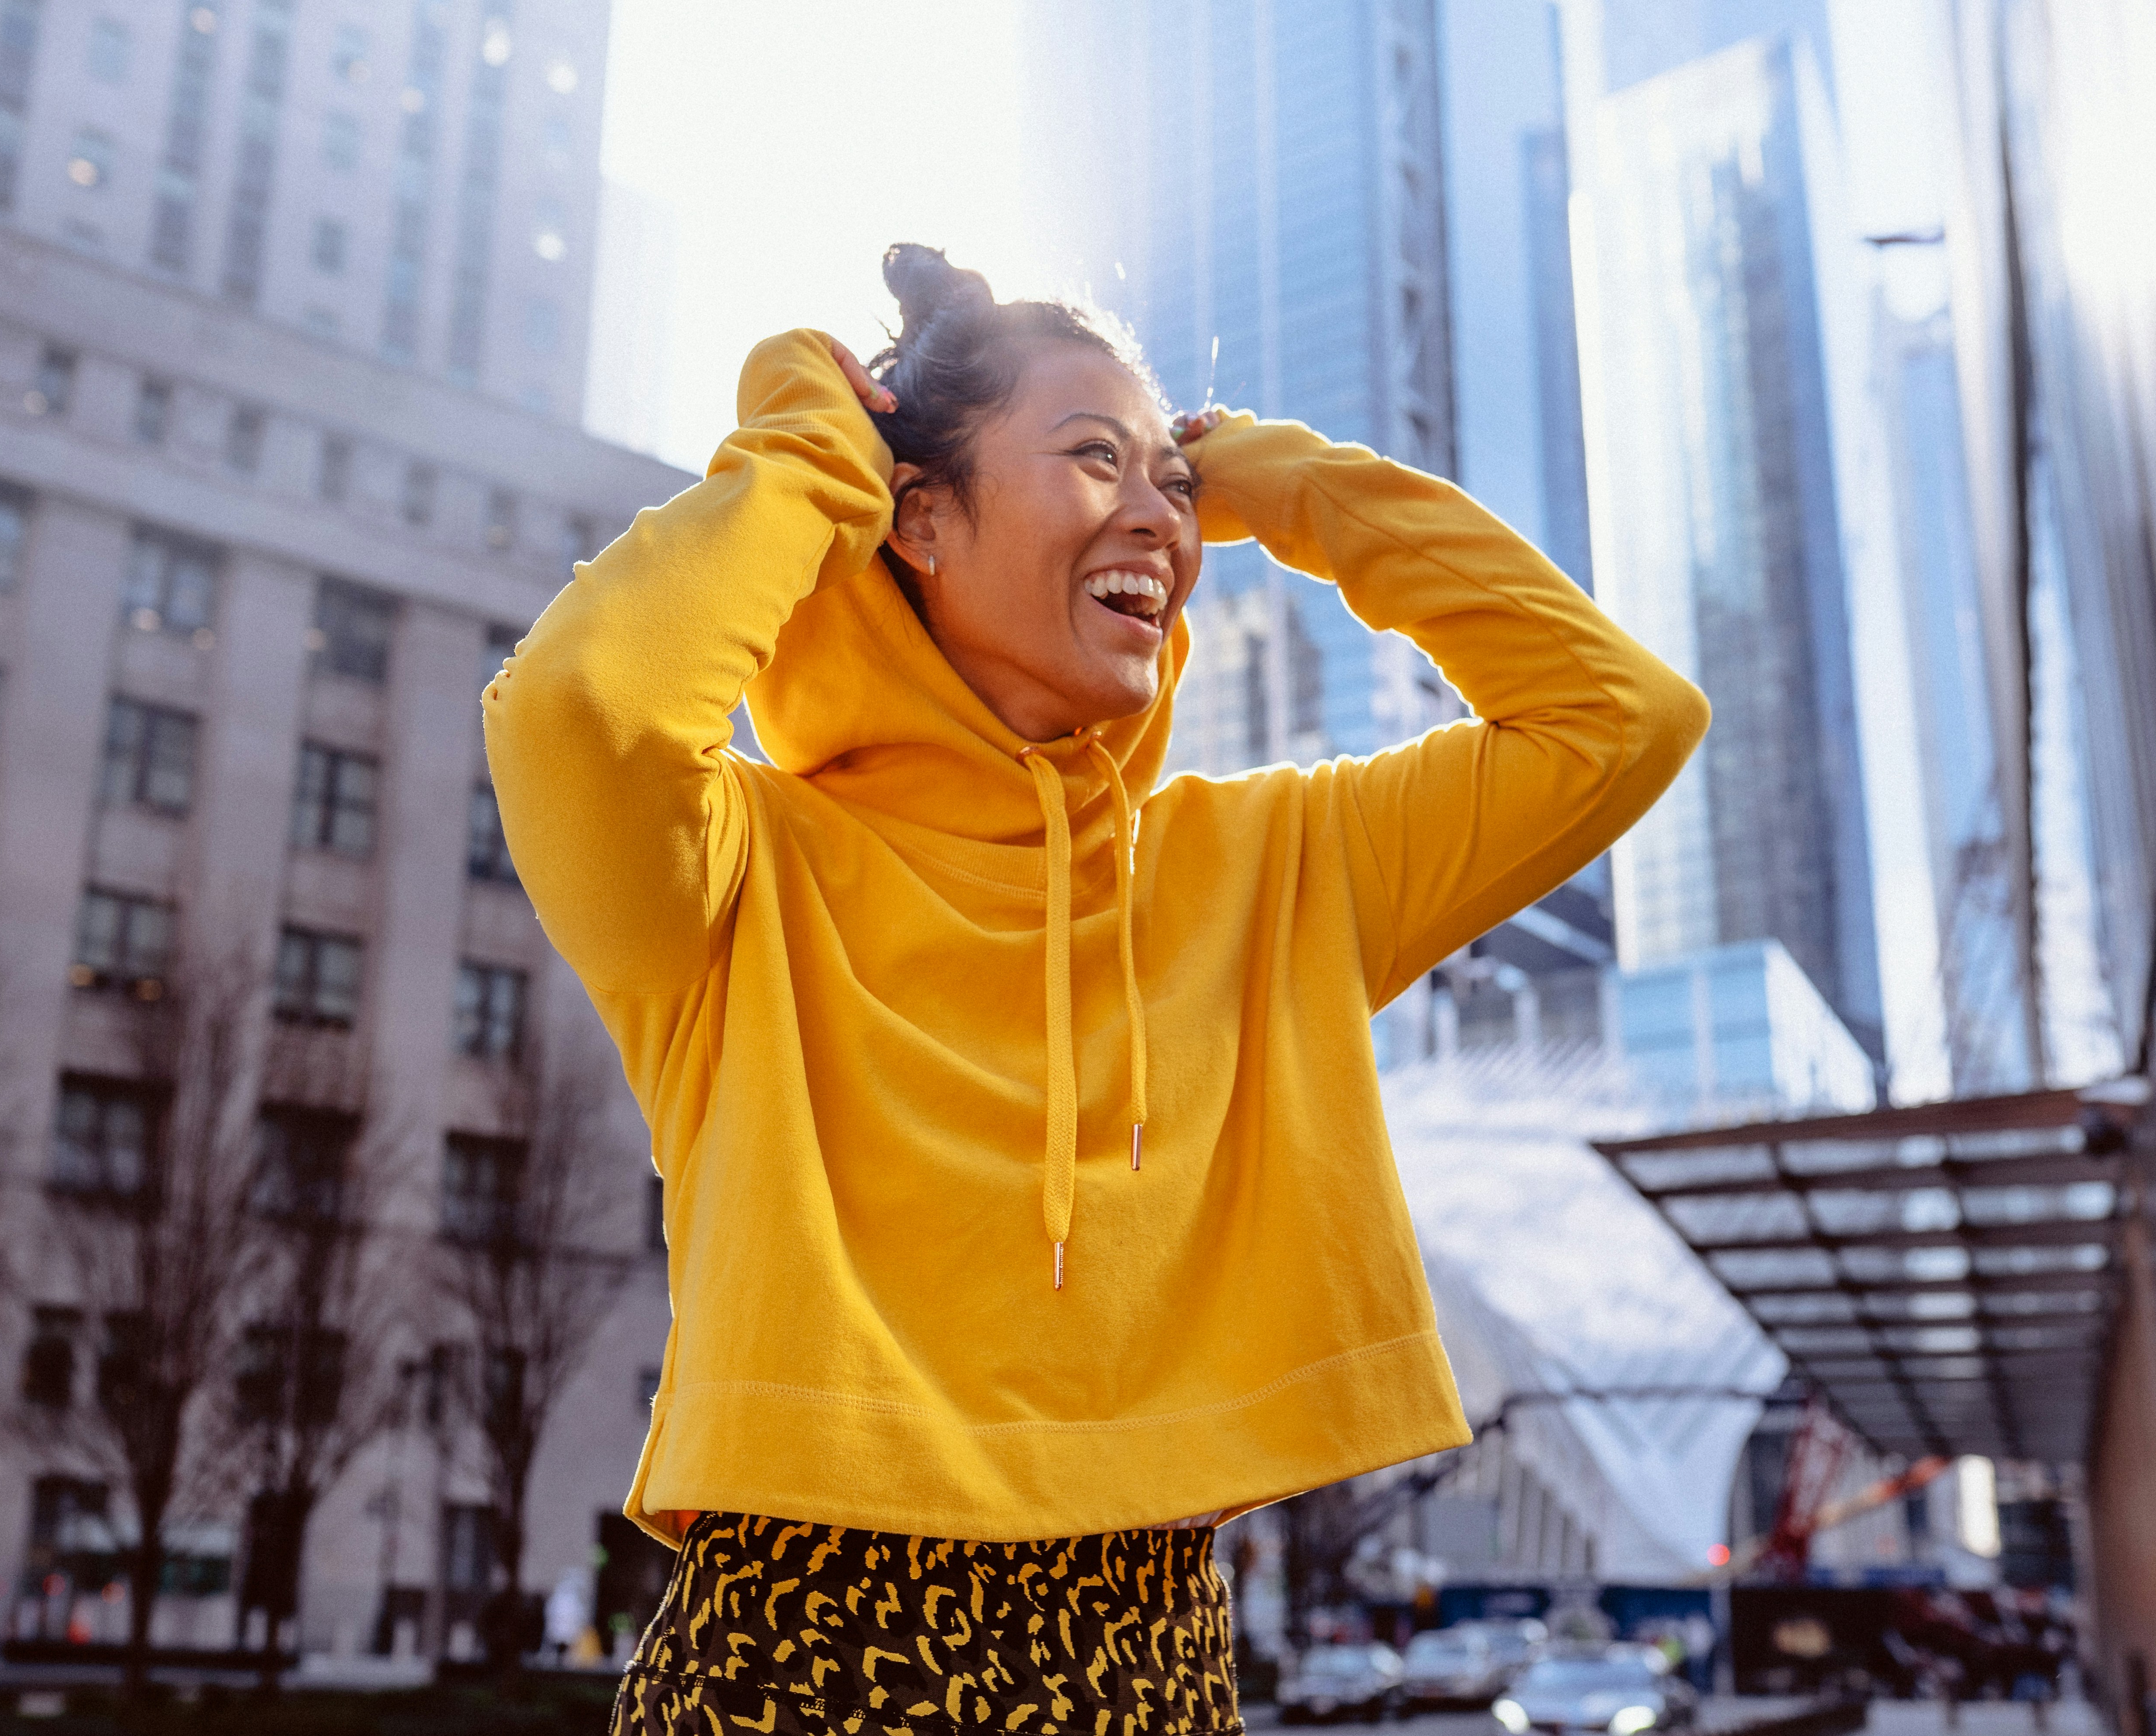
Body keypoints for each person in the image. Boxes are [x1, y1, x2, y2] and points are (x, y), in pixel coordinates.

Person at [482, 244, 1708, 1735]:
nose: (1157, 518)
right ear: (917, 517)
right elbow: (575, 710)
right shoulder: (741, 870)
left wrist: (1286, 486)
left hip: (1154, 1669)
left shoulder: (1272, 870)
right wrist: (813, 452)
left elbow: (1620, 718)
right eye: (1089, 461)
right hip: (793, 1662)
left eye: (1169, 483)